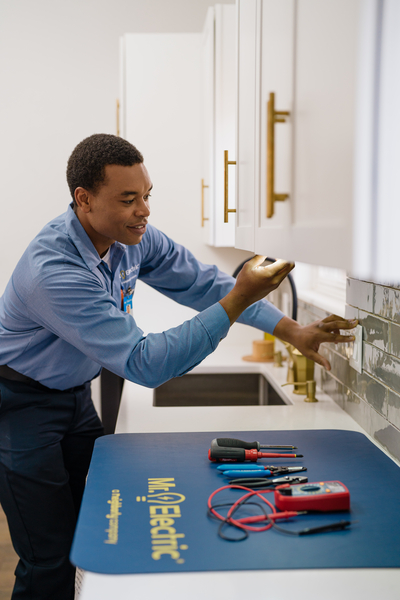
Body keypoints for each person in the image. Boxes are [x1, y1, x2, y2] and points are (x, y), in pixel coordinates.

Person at [0, 133, 356, 599]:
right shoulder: (55, 271)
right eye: (128, 199)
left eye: (147, 196)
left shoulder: (129, 239)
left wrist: (292, 331)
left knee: (92, 533)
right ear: (84, 200)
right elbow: (143, 362)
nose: (144, 210)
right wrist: (237, 300)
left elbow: (204, 284)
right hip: (21, 407)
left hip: (74, 396)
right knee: (47, 554)